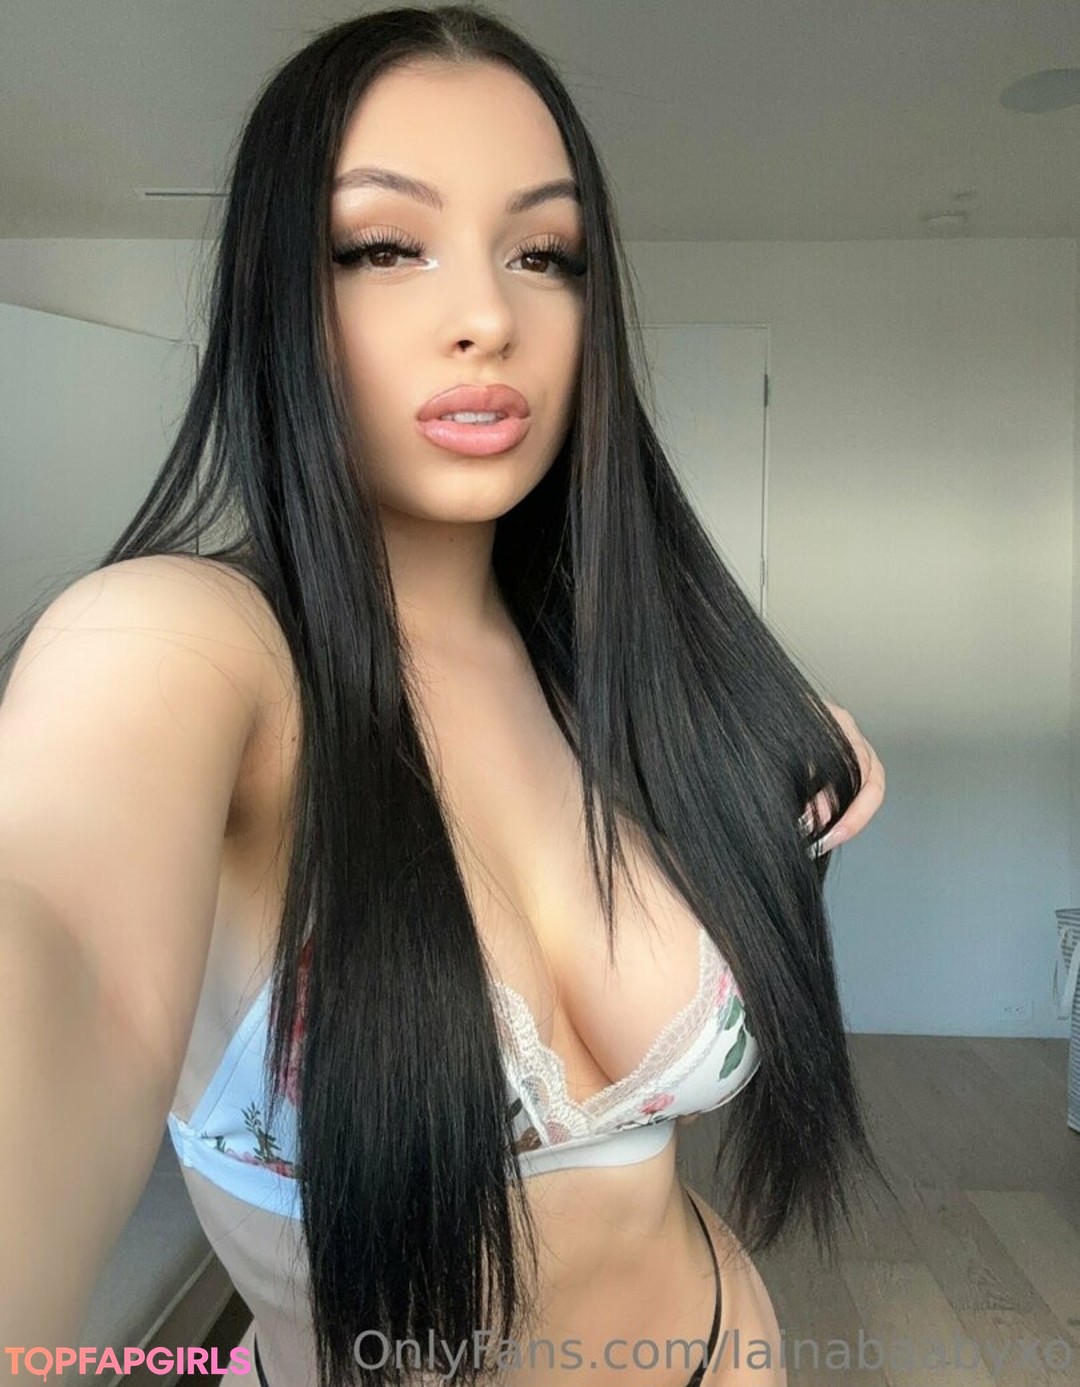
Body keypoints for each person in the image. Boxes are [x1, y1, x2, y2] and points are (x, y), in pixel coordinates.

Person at [0, 7, 890, 1385]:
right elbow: (55, 942)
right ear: (277, 294)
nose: (488, 317)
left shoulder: (617, 672)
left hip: (734, 1347)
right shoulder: (175, 647)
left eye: (546, 254)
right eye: (382, 246)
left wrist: (779, 758)